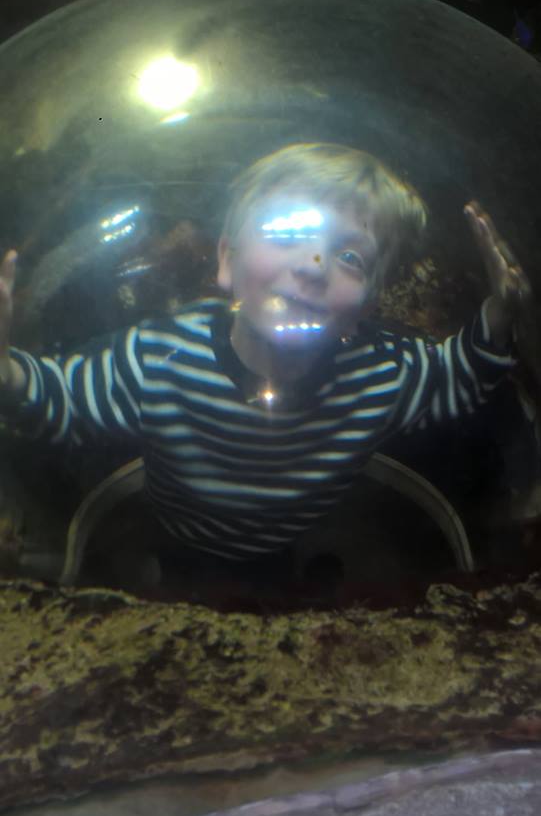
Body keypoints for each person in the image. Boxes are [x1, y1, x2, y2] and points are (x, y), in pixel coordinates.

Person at [0, 143, 530, 580]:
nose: (313, 266)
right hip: (177, 531)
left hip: (291, 537)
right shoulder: (158, 356)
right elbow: (59, 399)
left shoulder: (379, 374)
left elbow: (455, 380)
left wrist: (501, 311)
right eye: (287, 234)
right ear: (226, 261)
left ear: (367, 306)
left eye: (350, 256)